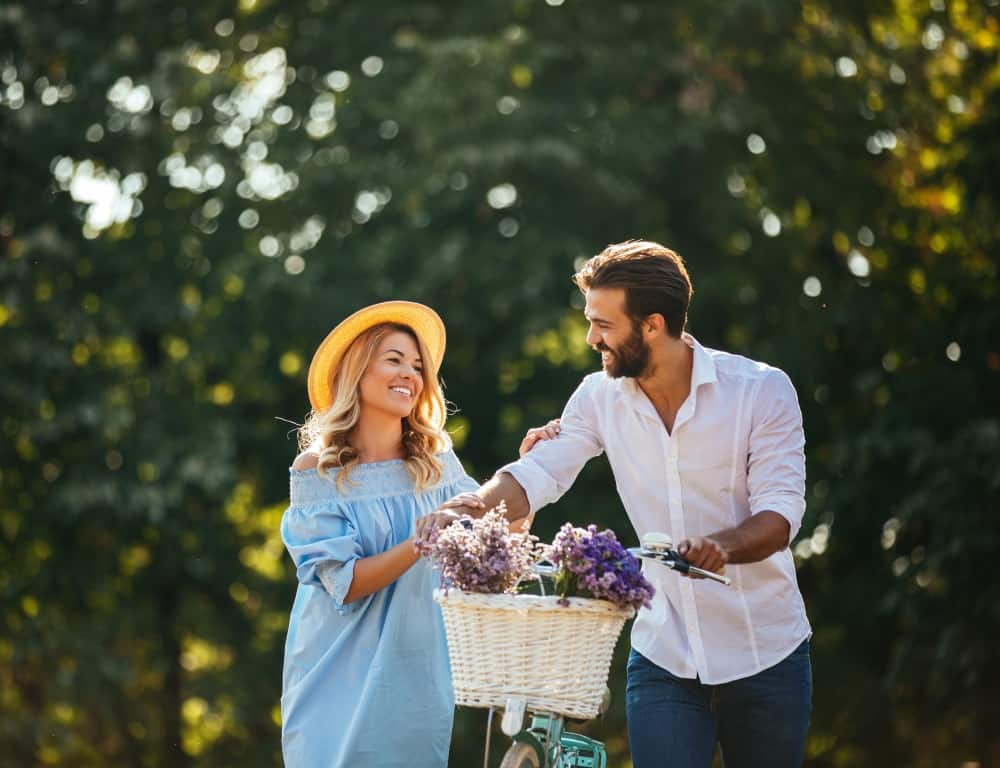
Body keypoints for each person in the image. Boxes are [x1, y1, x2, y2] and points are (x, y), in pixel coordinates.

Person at [446, 240, 813, 768]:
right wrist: (472, 507)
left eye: (604, 324)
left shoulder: (760, 392)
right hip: (664, 654)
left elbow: (779, 517)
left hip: (766, 655)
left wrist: (721, 546)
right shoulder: (598, 397)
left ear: (653, 325)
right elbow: (539, 473)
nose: (591, 338)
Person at [279, 301, 522, 768]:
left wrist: (526, 469)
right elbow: (344, 582)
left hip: (417, 676)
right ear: (357, 371)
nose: (410, 374)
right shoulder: (318, 469)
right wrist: (420, 541)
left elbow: (496, 535)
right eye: (394, 359)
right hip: (335, 676)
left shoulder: (436, 464)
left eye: (417, 366)